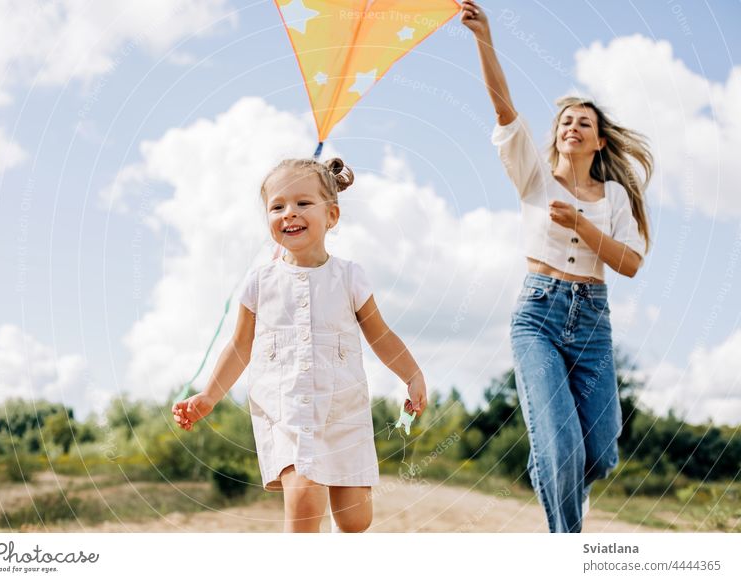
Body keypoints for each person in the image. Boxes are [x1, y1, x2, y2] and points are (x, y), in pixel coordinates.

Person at [461, 2, 653, 532]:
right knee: (561, 449)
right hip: (538, 315)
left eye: (583, 123)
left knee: (601, 451)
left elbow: (631, 264)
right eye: (566, 120)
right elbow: (504, 109)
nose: (573, 126)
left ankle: (549, 467)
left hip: (592, 320)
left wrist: (583, 226)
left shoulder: (615, 197)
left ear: (599, 140)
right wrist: (484, 39)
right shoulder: (533, 177)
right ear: (557, 133)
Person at [172, 157, 427, 533]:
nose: (289, 213)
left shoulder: (349, 277)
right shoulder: (259, 283)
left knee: (355, 520)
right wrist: (209, 396)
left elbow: (382, 336)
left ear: (332, 216)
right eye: (277, 206)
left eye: (303, 203)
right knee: (305, 497)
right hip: (285, 412)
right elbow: (240, 346)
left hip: (343, 413)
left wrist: (413, 374)